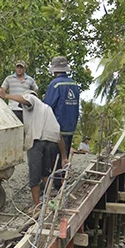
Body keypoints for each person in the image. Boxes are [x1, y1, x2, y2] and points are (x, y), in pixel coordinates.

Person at [0, 90, 68, 211]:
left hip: (37, 140)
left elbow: (27, 99)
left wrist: (5, 96)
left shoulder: (32, 99)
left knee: (34, 174)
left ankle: (37, 206)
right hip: (51, 141)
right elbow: (59, 134)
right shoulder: (47, 109)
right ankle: (48, 199)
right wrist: (64, 156)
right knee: (46, 172)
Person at [43, 56, 80, 188]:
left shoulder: (55, 84)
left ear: (54, 70)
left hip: (57, 127)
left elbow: (47, 105)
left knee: (54, 159)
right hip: (71, 125)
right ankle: (63, 182)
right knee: (65, 156)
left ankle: (56, 186)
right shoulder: (74, 84)